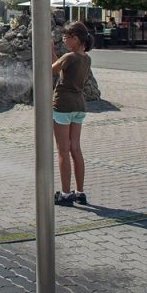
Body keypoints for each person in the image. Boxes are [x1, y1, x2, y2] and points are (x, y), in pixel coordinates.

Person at [52, 21, 93, 207]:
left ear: (75, 38)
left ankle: (66, 193)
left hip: (63, 105)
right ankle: (80, 192)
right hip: (79, 106)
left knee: (63, 150)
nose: (64, 40)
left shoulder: (69, 56)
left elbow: (50, 69)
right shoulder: (86, 58)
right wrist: (52, 52)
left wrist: (46, 50)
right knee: (76, 149)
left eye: (66, 37)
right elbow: (59, 68)